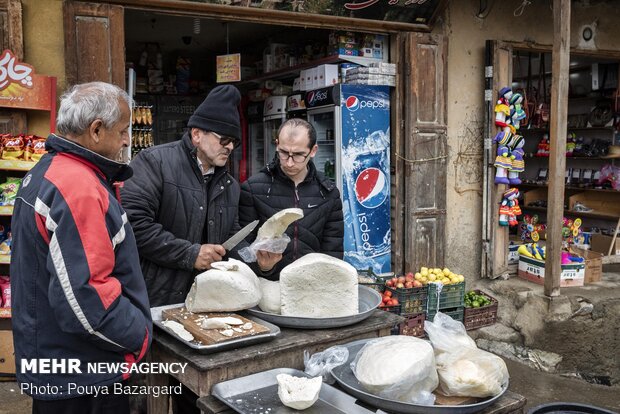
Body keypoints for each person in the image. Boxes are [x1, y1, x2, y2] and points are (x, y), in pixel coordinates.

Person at [10, 82, 152, 414]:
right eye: (123, 130)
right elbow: (87, 301)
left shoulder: (49, 170)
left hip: (58, 363)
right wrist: (140, 337)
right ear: (97, 130)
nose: (127, 139)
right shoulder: (78, 186)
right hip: (84, 376)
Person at [121, 85, 280, 307]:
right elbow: (133, 225)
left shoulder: (230, 186)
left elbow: (231, 237)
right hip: (153, 298)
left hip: (207, 300)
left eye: (235, 141)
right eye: (224, 139)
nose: (230, 147)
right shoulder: (154, 163)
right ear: (196, 134)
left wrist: (258, 260)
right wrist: (190, 254)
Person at [239, 118, 344, 279]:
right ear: (277, 144)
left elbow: (333, 252)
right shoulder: (252, 189)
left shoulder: (329, 193)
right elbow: (243, 249)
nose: (289, 162)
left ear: (313, 150)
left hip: (312, 285)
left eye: (298, 155)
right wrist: (263, 268)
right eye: (283, 152)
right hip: (267, 284)